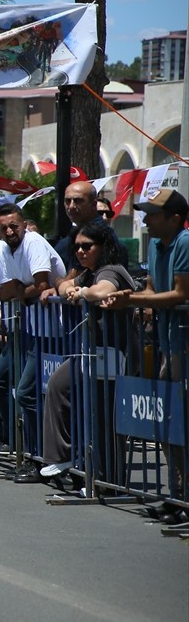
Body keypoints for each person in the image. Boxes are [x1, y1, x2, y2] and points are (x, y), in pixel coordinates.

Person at [103, 189, 188, 511]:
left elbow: (180, 294)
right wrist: (132, 295)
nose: (146, 220)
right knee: (168, 423)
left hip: (184, 345)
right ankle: (176, 495)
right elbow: (153, 288)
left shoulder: (184, 242)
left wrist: (132, 300)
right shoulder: (154, 244)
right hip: (168, 344)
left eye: (153, 214)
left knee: (182, 422)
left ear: (174, 218)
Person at [38, 219, 136, 481]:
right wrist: (70, 288)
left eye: (87, 246)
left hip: (114, 356)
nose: (81, 251)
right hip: (92, 355)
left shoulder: (111, 270)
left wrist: (82, 292)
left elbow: (103, 291)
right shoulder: (89, 272)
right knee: (60, 387)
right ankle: (64, 458)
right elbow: (62, 285)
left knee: (104, 418)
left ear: (103, 246)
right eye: (77, 247)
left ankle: (108, 480)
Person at [0, 203, 66, 482]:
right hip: (32, 329)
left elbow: (41, 285)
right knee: (17, 389)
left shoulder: (33, 242)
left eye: (13, 226)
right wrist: (20, 292)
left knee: (27, 393)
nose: (9, 231)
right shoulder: (7, 249)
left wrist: (22, 292)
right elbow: (11, 290)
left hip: (55, 332)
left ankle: (41, 457)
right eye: (3, 227)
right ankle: (35, 455)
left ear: (24, 225)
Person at [55, 180, 123, 269]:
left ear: (93, 204)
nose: (71, 206)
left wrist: (59, 281)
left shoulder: (102, 234)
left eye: (78, 200)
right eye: (67, 201)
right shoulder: (74, 235)